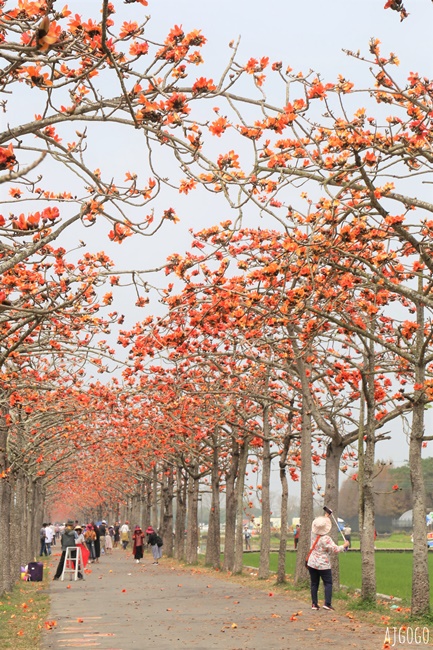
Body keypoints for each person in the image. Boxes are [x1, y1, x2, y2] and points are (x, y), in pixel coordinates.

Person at [306, 514, 349, 611]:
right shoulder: (326, 539)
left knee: (314, 583)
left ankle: (314, 604)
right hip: (323, 564)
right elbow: (336, 549)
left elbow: (319, 526)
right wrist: (345, 545)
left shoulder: (313, 534)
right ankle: (327, 603)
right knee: (328, 583)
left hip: (312, 562)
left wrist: (326, 517)